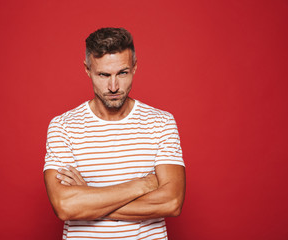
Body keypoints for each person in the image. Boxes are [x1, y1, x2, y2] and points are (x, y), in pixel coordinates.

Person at [43, 27, 186, 239]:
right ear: (87, 70)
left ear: (135, 67)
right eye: (103, 74)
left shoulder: (161, 123)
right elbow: (65, 206)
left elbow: (171, 202)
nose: (113, 86)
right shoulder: (63, 127)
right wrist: (143, 184)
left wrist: (90, 199)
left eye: (122, 73)